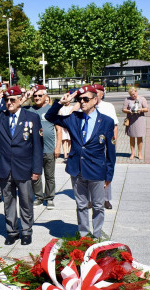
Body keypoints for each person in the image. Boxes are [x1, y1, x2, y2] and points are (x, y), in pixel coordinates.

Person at [0, 86, 43, 246]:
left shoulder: (31, 117)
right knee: (8, 201)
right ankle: (12, 232)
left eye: (12, 99)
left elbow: (38, 146)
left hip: (24, 167)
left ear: (20, 100)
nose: (9, 102)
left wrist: (37, 169)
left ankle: (26, 231)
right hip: (4, 167)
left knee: (26, 201)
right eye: (6, 100)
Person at [45, 85, 116, 238]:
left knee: (98, 206)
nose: (82, 102)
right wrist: (61, 102)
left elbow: (111, 152)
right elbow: (50, 117)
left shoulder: (107, 122)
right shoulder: (73, 118)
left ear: (95, 100)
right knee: (81, 205)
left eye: (86, 99)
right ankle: (84, 235)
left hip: (96, 170)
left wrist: (109, 176)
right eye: (80, 99)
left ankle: (96, 236)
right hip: (76, 169)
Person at [25, 85, 60, 210]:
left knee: (50, 176)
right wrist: (27, 96)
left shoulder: (51, 110)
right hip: (34, 150)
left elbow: (58, 129)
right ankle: (39, 197)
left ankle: (49, 198)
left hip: (49, 149)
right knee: (36, 175)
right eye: (35, 96)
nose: (37, 97)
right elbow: (16, 106)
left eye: (40, 95)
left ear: (46, 97)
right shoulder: (29, 110)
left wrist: (58, 147)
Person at [93, 84, 118, 210]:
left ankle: (106, 199)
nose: (95, 94)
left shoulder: (108, 107)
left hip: (105, 143)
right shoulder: (86, 106)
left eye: (97, 92)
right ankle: (91, 199)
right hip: (92, 145)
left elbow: (115, 125)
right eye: (93, 92)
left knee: (107, 170)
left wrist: (113, 143)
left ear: (102, 93)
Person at [122, 87, 149, 160]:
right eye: (131, 95)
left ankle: (140, 153)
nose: (133, 96)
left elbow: (147, 109)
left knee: (139, 137)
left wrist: (141, 109)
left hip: (139, 119)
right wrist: (129, 111)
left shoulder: (142, 99)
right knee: (132, 137)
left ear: (136, 92)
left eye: (134, 94)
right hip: (131, 120)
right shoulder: (127, 99)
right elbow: (123, 109)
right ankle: (132, 153)